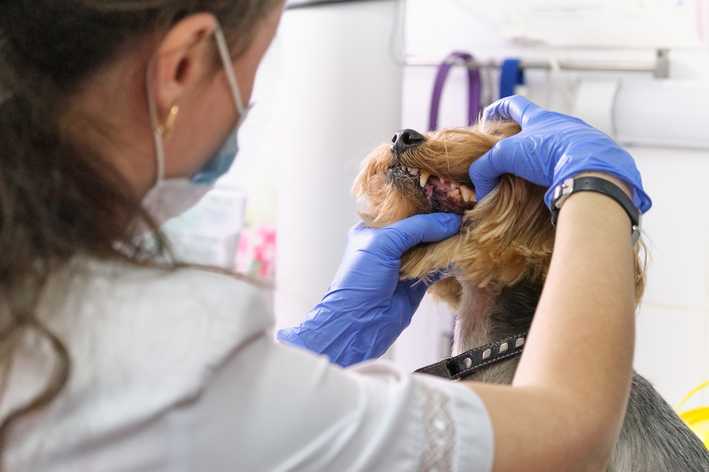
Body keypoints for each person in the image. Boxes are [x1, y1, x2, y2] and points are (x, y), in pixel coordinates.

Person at [0, 1, 651, 471]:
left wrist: (311, 349)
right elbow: (568, 435)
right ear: (181, 65)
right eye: (252, 73)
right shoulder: (173, 354)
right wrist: (599, 187)